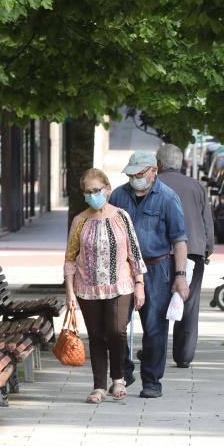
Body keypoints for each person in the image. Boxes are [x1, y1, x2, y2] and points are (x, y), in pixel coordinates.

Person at [110, 150, 189, 398]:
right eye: (131, 173)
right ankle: (123, 369)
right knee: (116, 325)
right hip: (123, 268)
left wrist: (180, 275)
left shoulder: (167, 198)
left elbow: (179, 240)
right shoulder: (118, 196)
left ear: (154, 171)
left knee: (154, 327)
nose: (135, 178)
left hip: (157, 269)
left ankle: (152, 380)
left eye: (140, 173)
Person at [63, 168, 146, 403]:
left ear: (107, 189)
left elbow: (134, 253)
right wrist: (69, 292)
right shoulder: (80, 221)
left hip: (120, 285)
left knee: (116, 331)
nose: (92, 195)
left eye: (96, 190)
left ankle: (118, 378)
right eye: (87, 192)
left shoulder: (121, 217)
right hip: (87, 288)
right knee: (97, 335)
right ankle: (99, 385)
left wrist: (139, 283)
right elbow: (70, 257)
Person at [156, 144, 215, 369]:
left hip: (160, 254)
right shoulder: (196, 187)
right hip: (193, 252)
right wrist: (206, 249)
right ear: (181, 164)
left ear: (158, 164)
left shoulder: (154, 185)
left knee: (157, 304)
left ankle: (155, 351)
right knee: (189, 304)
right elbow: (206, 222)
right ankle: (184, 356)